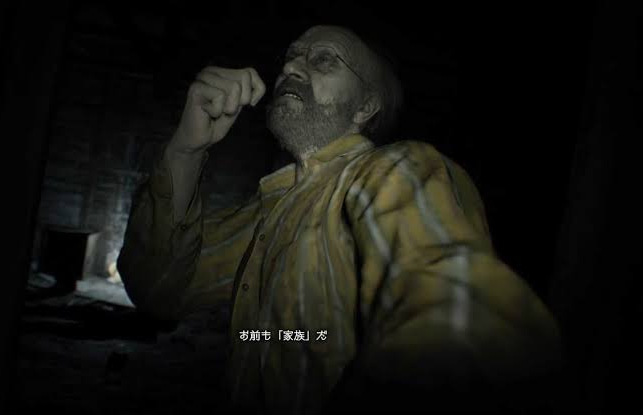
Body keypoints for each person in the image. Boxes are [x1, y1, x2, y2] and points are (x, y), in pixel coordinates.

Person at [118, 25, 561, 415]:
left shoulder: (395, 172)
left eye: (324, 59)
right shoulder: (266, 212)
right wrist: (186, 150)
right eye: (292, 55)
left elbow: (456, 323)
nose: (291, 66)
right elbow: (158, 289)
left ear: (365, 105)